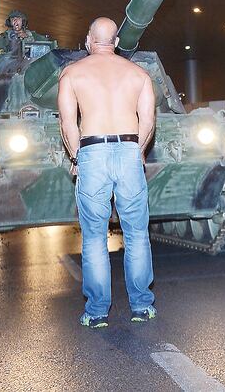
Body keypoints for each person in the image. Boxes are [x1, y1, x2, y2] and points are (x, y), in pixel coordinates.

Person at [57, 17, 157, 329]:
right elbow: (149, 122)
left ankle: (98, 311)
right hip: (128, 151)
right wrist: (137, 152)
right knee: (137, 234)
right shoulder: (139, 74)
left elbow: (67, 123)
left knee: (94, 238)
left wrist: (76, 156)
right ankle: (142, 306)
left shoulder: (72, 73)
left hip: (92, 153)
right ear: (115, 42)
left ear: (88, 40)